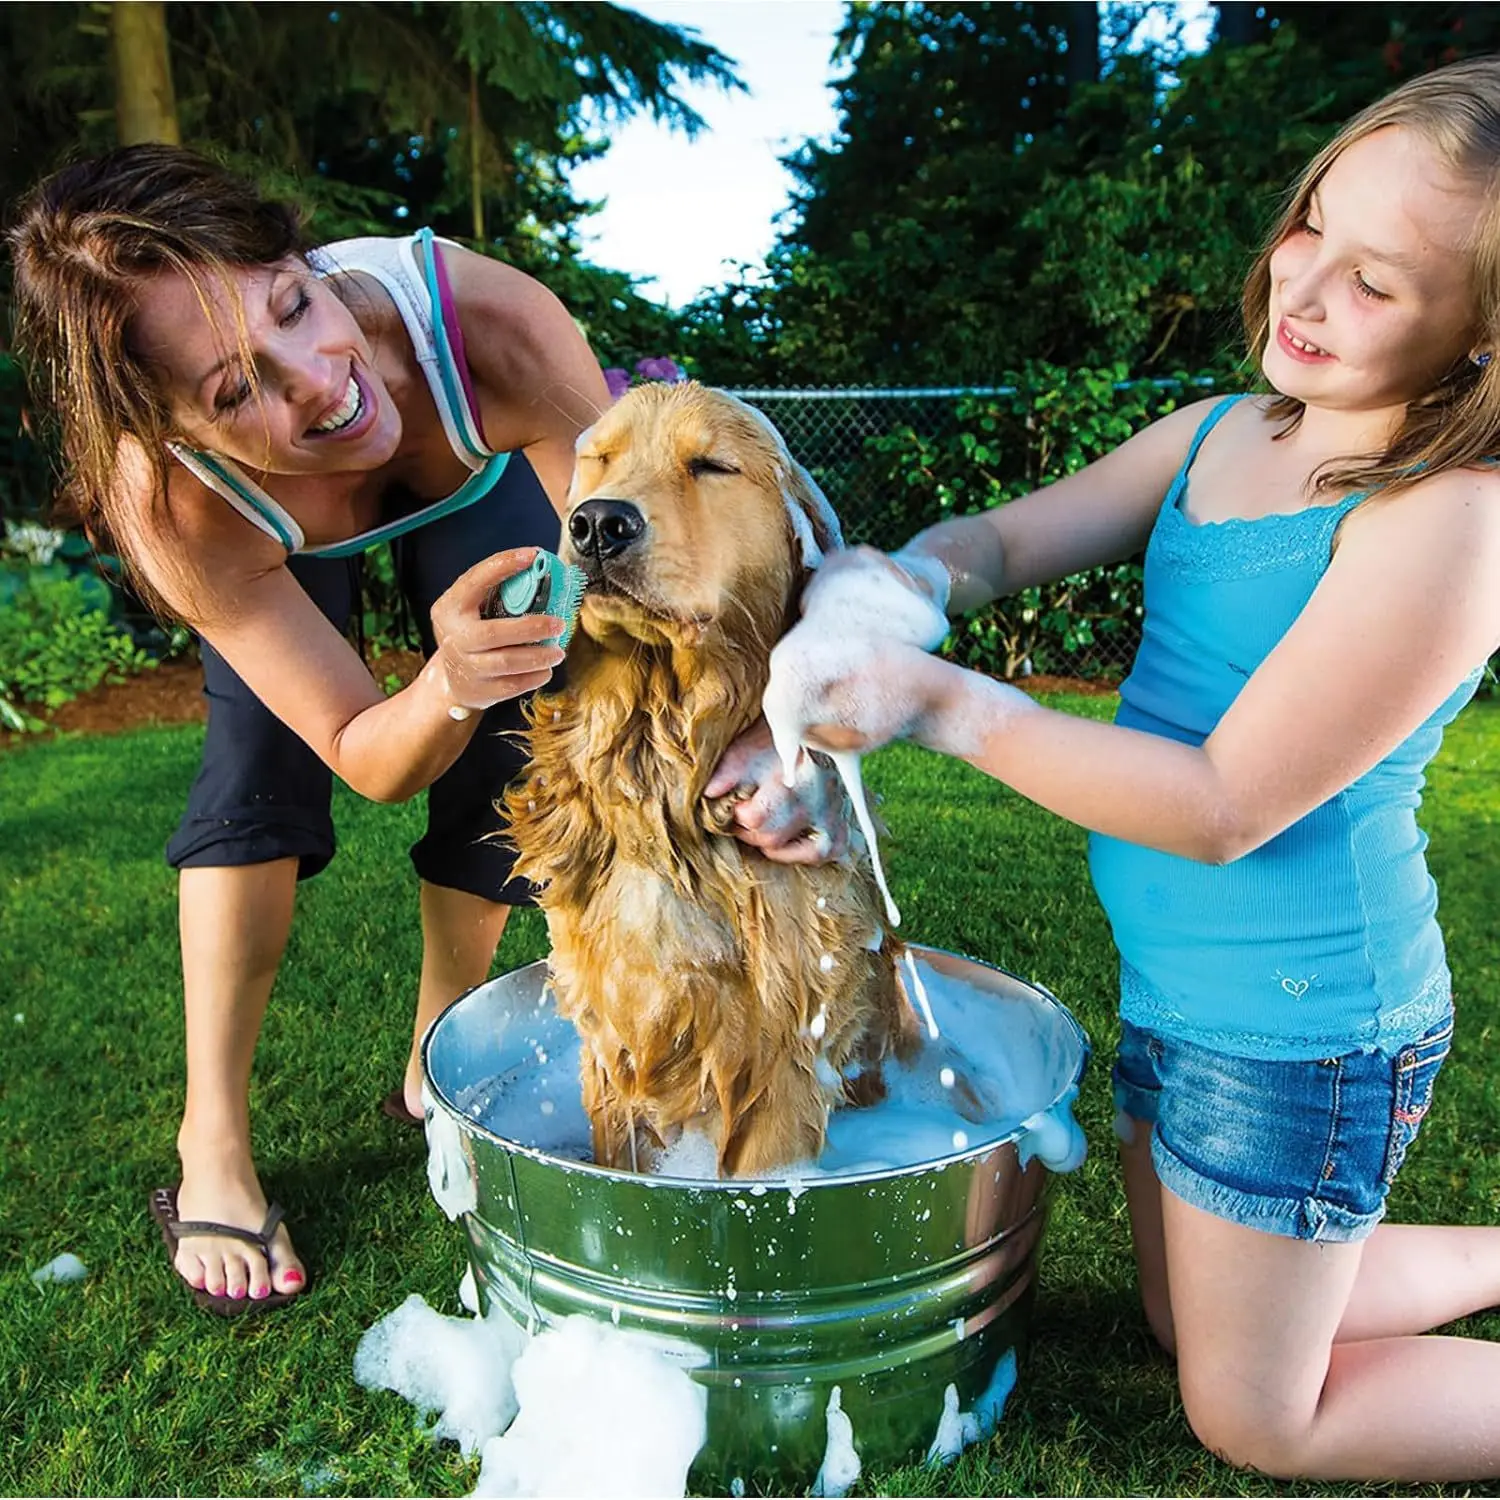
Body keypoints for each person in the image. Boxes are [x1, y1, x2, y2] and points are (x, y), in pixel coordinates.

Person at [760, 58, 1500, 1482]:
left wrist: (938, 704)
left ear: (1481, 337)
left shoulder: (1446, 523)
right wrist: (907, 580)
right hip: (1182, 987)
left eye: (1378, 283)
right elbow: (1007, 542)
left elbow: (1222, 808)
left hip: (1305, 1022)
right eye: (1312, 230)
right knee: (1181, 1314)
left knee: (1255, 1414)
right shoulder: (1227, 434)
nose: (1306, 287)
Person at [8, 145, 832, 1315]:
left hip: (474, 466)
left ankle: (436, 1048)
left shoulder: (489, 327)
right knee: (259, 774)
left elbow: (650, 585)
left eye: (294, 305)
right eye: (237, 388)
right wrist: (442, 680)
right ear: (169, 424)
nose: (318, 384)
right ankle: (214, 1138)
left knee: (532, 700)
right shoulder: (175, 503)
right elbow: (365, 753)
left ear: (302, 256)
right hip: (269, 528)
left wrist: (761, 739)